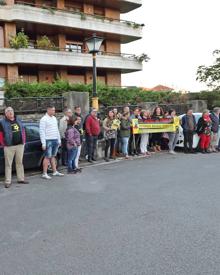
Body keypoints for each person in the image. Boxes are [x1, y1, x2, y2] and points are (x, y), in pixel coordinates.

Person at [0, 107, 29, 188]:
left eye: (11, 110)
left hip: (20, 145)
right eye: (8, 111)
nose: (10, 112)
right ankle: (8, 181)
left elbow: (23, 130)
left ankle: (21, 179)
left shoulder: (18, 119)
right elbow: (0, 134)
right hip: (9, 146)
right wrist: (3, 144)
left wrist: (24, 141)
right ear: (5, 114)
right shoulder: (2, 122)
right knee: (8, 164)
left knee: (19, 163)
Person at [39, 105, 64, 180]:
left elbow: (57, 130)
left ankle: (54, 171)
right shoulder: (43, 119)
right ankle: (44, 173)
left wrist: (59, 140)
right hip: (48, 140)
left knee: (53, 156)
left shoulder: (54, 118)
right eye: (53, 110)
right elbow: (41, 132)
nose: (54, 111)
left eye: (54, 110)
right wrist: (43, 143)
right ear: (48, 110)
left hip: (55, 139)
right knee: (47, 157)